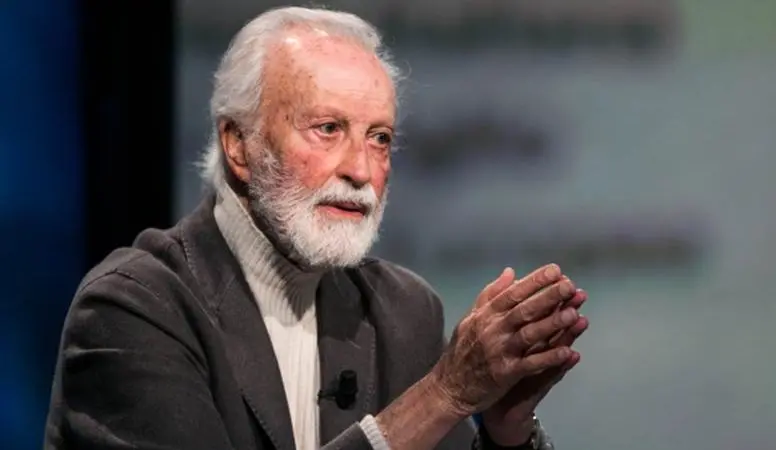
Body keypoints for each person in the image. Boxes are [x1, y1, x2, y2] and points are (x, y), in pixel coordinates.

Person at [44, 6, 589, 450]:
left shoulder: (403, 312)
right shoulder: (133, 309)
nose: (361, 171)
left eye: (379, 138)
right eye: (328, 129)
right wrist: (441, 397)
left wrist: (505, 433)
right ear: (239, 146)